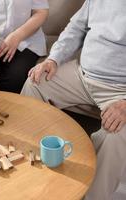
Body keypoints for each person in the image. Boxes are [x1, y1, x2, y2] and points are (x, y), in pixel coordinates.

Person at [21, 0, 126, 199]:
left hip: (120, 92)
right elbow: (76, 27)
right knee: (35, 82)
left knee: (117, 132)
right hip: (82, 74)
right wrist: (53, 59)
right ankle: (35, 162)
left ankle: (91, 195)